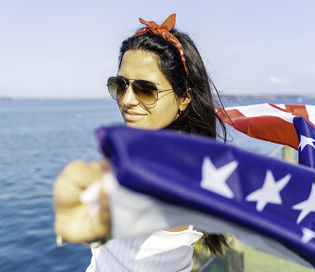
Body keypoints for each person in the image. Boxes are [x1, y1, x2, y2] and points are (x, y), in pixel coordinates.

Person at [53, 13, 229, 271]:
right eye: (120, 85)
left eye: (146, 89)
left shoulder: (171, 171)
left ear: (184, 98)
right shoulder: (168, 157)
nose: (127, 100)